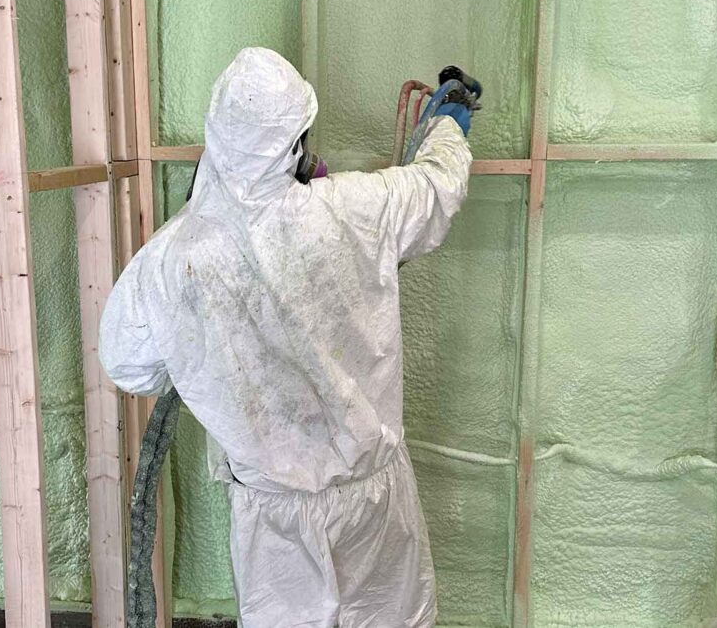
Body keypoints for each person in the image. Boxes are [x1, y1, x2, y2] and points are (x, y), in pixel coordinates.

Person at [100, 47, 472, 627]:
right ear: (295, 139)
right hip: (372, 500)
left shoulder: (169, 262)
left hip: (271, 518)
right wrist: (448, 123)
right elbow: (435, 187)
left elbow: (131, 367)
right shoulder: (355, 208)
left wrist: (208, 339)